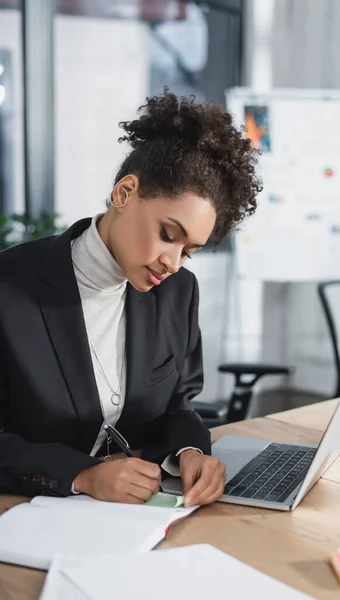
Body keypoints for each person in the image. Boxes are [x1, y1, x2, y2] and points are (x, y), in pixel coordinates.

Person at [0, 89, 261, 507]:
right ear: (124, 193)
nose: (173, 263)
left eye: (188, 251)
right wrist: (82, 475)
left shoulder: (177, 291)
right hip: (26, 509)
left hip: (131, 512)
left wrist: (189, 451)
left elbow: (177, 407)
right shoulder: (10, 287)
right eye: (168, 235)